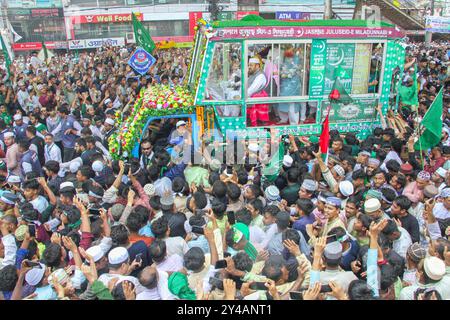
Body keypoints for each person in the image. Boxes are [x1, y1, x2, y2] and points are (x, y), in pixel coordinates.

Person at [246, 56, 269, 127]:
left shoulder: (260, 75)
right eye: (249, 65)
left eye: (251, 65)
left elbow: (253, 89)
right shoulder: (253, 73)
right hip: (252, 94)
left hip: (258, 95)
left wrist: (242, 96)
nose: (249, 67)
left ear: (257, 66)